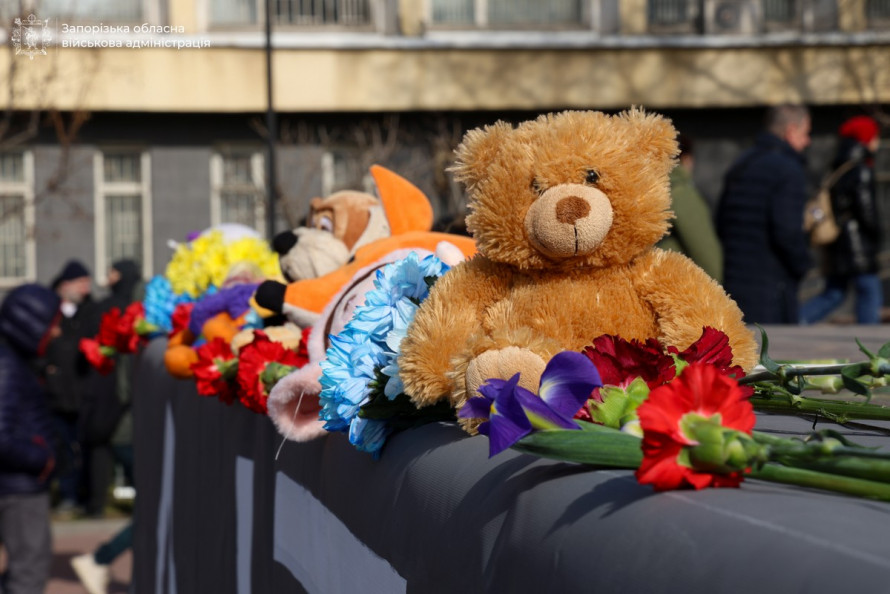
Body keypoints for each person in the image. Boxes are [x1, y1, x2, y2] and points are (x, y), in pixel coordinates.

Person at [717, 104, 814, 324]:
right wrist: (802, 264)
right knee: (773, 344)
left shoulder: (740, 164)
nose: (807, 141)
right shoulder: (788, 170)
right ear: (791, 131)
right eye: (805, 133)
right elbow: (788, 231)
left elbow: (721, 222)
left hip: (735, 278)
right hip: (773, 285)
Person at [0, 283, 62, 594]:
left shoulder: (13, 361)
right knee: (29, 571)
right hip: (18, 487)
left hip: (17, 482)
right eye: (52, 325)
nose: (57, 333)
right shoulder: (7, 366)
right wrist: (41, 458)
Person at [800, 116, 884, 324]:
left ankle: (796, 321)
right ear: (865, 139)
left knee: (834, 293)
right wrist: (877, 236)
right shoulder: (861, 170)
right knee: (869, 292)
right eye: (875, 136)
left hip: (837, 243)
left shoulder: (837, 168)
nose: (877, 141)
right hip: (858, 247)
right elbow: (867, 213)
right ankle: (871, 342)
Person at [80, 259, 142, 517]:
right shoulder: (138, 308)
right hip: (124, 387)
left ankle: (97, 502)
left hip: (108, 384)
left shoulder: (108, 307)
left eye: (113, 273)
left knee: (109, 443)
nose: (109, 278)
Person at [44, 259, 96, 516]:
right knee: (62, 447)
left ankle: (85, 495)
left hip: (83, 392)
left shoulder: (90, 311)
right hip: (56, 394)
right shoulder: (49, 312)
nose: (86, 289)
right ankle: (67, 495)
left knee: (84, 446)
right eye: (81, 283)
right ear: (66, 285)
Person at [657, 134, 723, 282]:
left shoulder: (647, 191)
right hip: (675, 284)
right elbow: (709, 259)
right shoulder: (680, 192)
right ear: (686, 159)